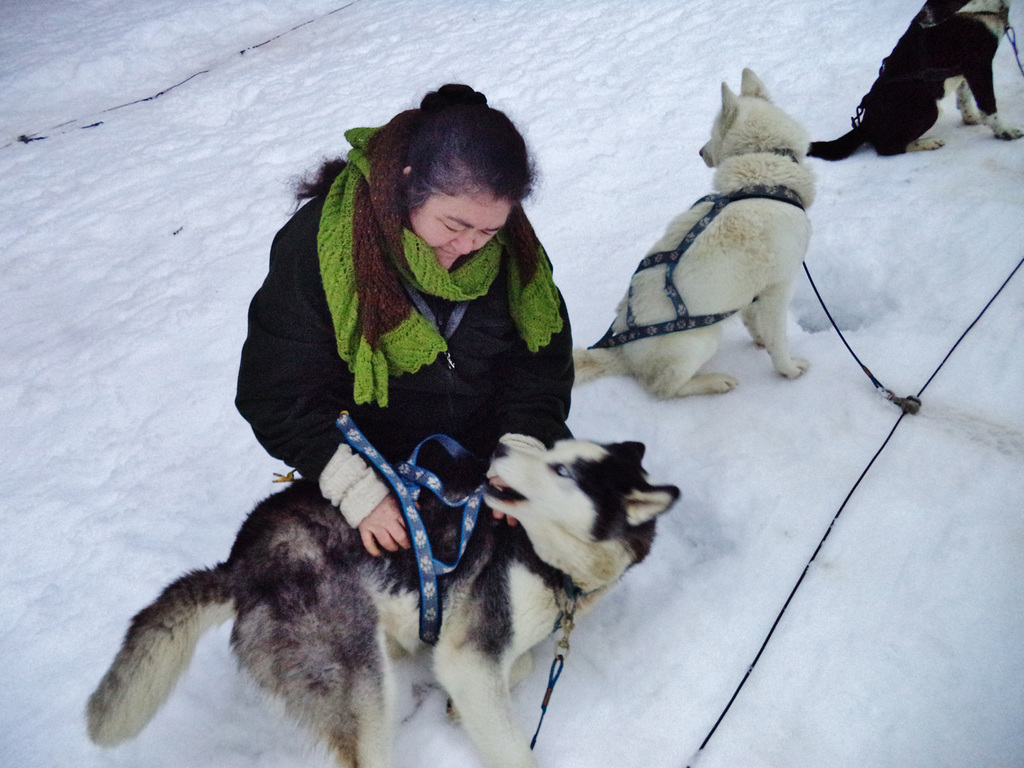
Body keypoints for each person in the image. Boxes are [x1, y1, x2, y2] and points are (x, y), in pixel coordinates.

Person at [236, 84, 574, 557]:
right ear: (408, 183)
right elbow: (278, 394)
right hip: (369, 461)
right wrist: (354, 487)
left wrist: (520, 448)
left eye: (489, 230)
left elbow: (540, 367)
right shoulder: (319, 248)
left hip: (489, 442)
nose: (468, 246)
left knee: (560, 546)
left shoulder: (514, 250)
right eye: (453, 226)